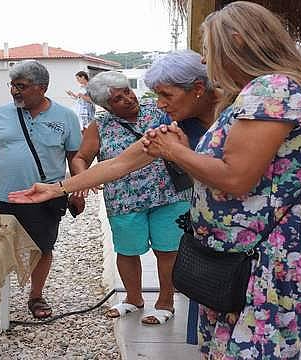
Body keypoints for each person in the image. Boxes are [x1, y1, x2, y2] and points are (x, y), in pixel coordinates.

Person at [140, 2, 301, 358]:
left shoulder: (273, 90)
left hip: (262, 263)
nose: (205, 62)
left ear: (236, 42)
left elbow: (235, 178)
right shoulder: (270, 91)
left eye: (208, 50)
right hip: (243, 261)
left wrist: (175, 152)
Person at [71, 70, 192, 324]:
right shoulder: (100, 126)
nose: (127, 99)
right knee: (127, 251)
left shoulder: (158, 112)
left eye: (127, 91)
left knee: (168, 251)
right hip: (124, 200)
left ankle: (166, 301)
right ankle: (133, 299)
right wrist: (83, 179)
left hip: (169, 194)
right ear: (106, 105)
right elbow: (81, 157)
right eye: (117, 99)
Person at [0, 60, 83, 319]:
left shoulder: (66, 117)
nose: (15, 91)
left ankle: (36, 296)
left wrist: (79, 190)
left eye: (21, 86)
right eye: (12, 85)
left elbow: (76, 158)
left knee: (42, 248)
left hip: (44, 199)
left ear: (42, 88)